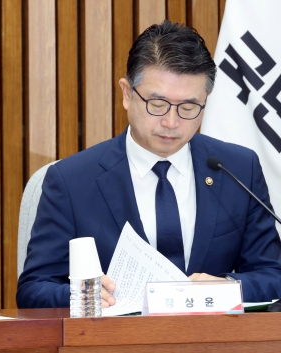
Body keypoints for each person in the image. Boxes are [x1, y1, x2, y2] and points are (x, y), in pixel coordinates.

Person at [17, 20, 281, 309]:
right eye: (157, 104)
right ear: (127, 94)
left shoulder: (238, 169)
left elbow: (272, 275)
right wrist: (87, 295)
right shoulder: (71, 181)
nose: (171, 122)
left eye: (189, 107)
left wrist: (228, 288)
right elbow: (33, 289)